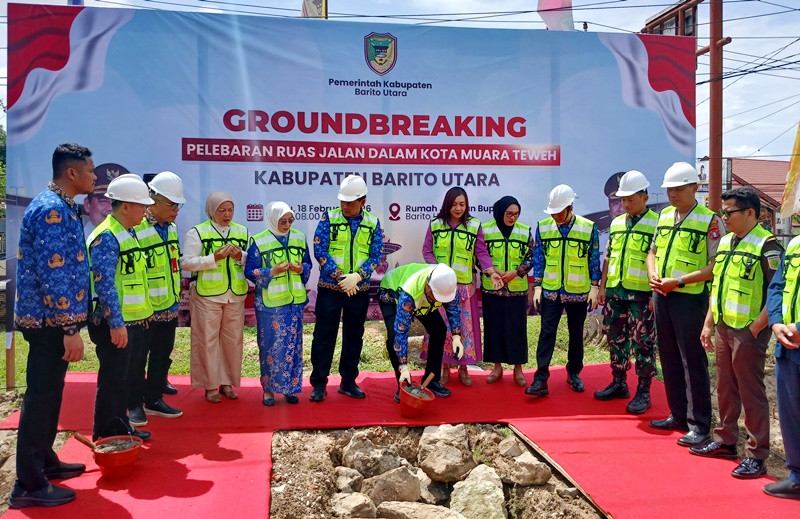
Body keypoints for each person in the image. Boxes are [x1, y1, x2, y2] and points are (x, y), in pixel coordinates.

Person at [9, 143, 95, 509]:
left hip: (54, 321)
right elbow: (54, 271)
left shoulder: (65, 207)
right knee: (41, 398)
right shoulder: (51, 211)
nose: (95, 176)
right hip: (49, 323)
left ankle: (45, 462)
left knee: (51, 395)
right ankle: (28, 484)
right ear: (71, 173)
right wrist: (69, 328)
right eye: (90, 170)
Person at [691, 187, 781, 479]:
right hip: (723, 326)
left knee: (750, 390)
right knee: (726, 386)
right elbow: (716, 288)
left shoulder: (767, 246)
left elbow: (776, 293)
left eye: (729, 213)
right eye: (722, 212)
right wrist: (708, 322)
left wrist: (757, 326)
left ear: (750, 213)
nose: (724, 218)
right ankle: (725, 440)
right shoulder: (728, 242)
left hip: (748, 332)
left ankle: (757, 454)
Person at [646, 162, 725, 447]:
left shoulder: (710, 220)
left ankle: (700, 424)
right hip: (662, 295)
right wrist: (652, 273)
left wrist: (678, 282)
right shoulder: (664, 215)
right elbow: (652, 251)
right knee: (667, 356)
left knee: (692, 360)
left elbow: (715, 266)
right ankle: (677, 414)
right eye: (669, 189)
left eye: (679, 189)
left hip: (689, 298)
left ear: (695, 187)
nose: (673, 194)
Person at [87, 174, 154, 443]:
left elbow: (133, 279)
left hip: (130, 321)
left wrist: (141, 317)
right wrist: (117, 323)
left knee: (122, 378)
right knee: (113, 380)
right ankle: (107, 433)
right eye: (141, 205)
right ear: (125, 206)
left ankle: (119, 426)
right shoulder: (107, 236)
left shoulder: (128, 233)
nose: (145, 210)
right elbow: (104, 286)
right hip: (113, 323)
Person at [309, 175, 383, 402]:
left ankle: (348, 382)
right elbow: (320, 251)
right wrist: (342, 278)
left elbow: (375, 255)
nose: (345, 206)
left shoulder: (372, 223)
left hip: (357, 291)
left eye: (350, 202)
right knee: (323, 336)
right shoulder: (329, 218)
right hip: (331, 289)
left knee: (354, 336)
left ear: (363, 201)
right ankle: (319, 384)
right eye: (342, 201)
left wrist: (358, 277)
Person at [423, 187, 501, 387]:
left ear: (466, 205)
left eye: (462, 204)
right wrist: (436, 269)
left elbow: (481, 252)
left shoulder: (474, 226)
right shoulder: (435, 224)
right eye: (454, 204)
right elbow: (427, 251)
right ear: (447, 204)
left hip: (464, 288)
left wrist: (491, 272)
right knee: (442, 328)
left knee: (464, 331)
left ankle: (464, 368)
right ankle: (444, 368)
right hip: (440, 287)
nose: (458, 208)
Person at [527, 184, 601, 397]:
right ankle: (540, 378)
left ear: (571, 207)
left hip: (578, 291)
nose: (556, 216)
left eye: (559, 212)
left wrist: (594, 287)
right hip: (551, 291)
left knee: (576, 334)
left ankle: (574, 373)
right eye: (553, 212)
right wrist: (538, 285)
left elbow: (593, 259)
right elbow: (539, 257)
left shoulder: (588, 228)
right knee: (546, 333)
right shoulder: (544, 226)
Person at [595, 171, 658, 414]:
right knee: (615, 338)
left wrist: (655, 294)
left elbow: (659, 260)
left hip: (641, 295)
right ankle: (619, 382)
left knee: (643, 342)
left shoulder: (657, 223)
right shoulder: (617, 223)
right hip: (615, 292)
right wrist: (602, 288)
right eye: (623, 199)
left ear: (645, 196)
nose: (626, 204)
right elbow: (609, 258)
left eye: (631, 199)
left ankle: (644, 390)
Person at [126, 172, 185, 428]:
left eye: (178, 205)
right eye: (170, 204)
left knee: (162, 354)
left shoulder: (171, 229)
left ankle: (154, 398)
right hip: (144, 310)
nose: (175, 210)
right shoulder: (136, 229)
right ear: (153, 200)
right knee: (137, 358)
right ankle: (134, 405)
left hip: (169, 307)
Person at [182, 192, 249, 403]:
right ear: (211, 210)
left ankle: (227, 383)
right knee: (207, 341)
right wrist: (214, 258)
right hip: (207, 295)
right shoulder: (198, 233)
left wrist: (241, 256)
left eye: (230, 210)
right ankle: (210, 386)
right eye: (222, 210)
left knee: (233, 341)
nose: (227, 214)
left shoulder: (242, 231)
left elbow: (252, 260)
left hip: (235, 294)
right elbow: (186, 263)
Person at [245, 201, 312, 406]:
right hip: (270, 307)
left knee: (293, 347)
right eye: (283, 221)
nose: (287, 224)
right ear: (273, 219)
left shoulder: (299, 238)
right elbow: (249, 271)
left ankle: (290, 388)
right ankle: (269, 391)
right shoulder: (259, 241)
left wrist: (301, 269)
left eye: (290, 220)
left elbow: (307, 264)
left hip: (294, 305)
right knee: (271, 348)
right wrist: (270, 272)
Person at [378, 263, 463, 401]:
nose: (439, 301)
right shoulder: (409, 294)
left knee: (439, 330)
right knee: (394, 338)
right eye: (436, 296)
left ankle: (432, 380)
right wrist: (404, 367)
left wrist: (456, 336)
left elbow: (453, 309)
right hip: (390, 294)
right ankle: (403, 384)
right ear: (428, 286)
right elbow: (401, 332)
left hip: (423, 302)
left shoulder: (448, 286)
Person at [481, 196, 533, 386]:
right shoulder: (486, 230)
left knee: (516, 329)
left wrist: (516, 272)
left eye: (516, 214)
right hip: (492, 289)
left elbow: (532, 257)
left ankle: (518, 369)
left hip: (516, 290)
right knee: (494, 328)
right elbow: (480, 256)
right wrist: (493, 272)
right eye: (509, 214)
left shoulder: (524, 231)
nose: (513, 218)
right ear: (500, 212)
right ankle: (497, 367)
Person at [763, 229, 800, 498]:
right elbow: (776, 286)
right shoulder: (796, 244)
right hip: (787, 342)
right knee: (791, 412)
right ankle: (797, 475)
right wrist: (775, 322)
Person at [83, 162, 130, 236]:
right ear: (87, 205)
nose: (111, 208)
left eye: (119, 203)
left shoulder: (139, 236)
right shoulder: (73, 238)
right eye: (103, 201)